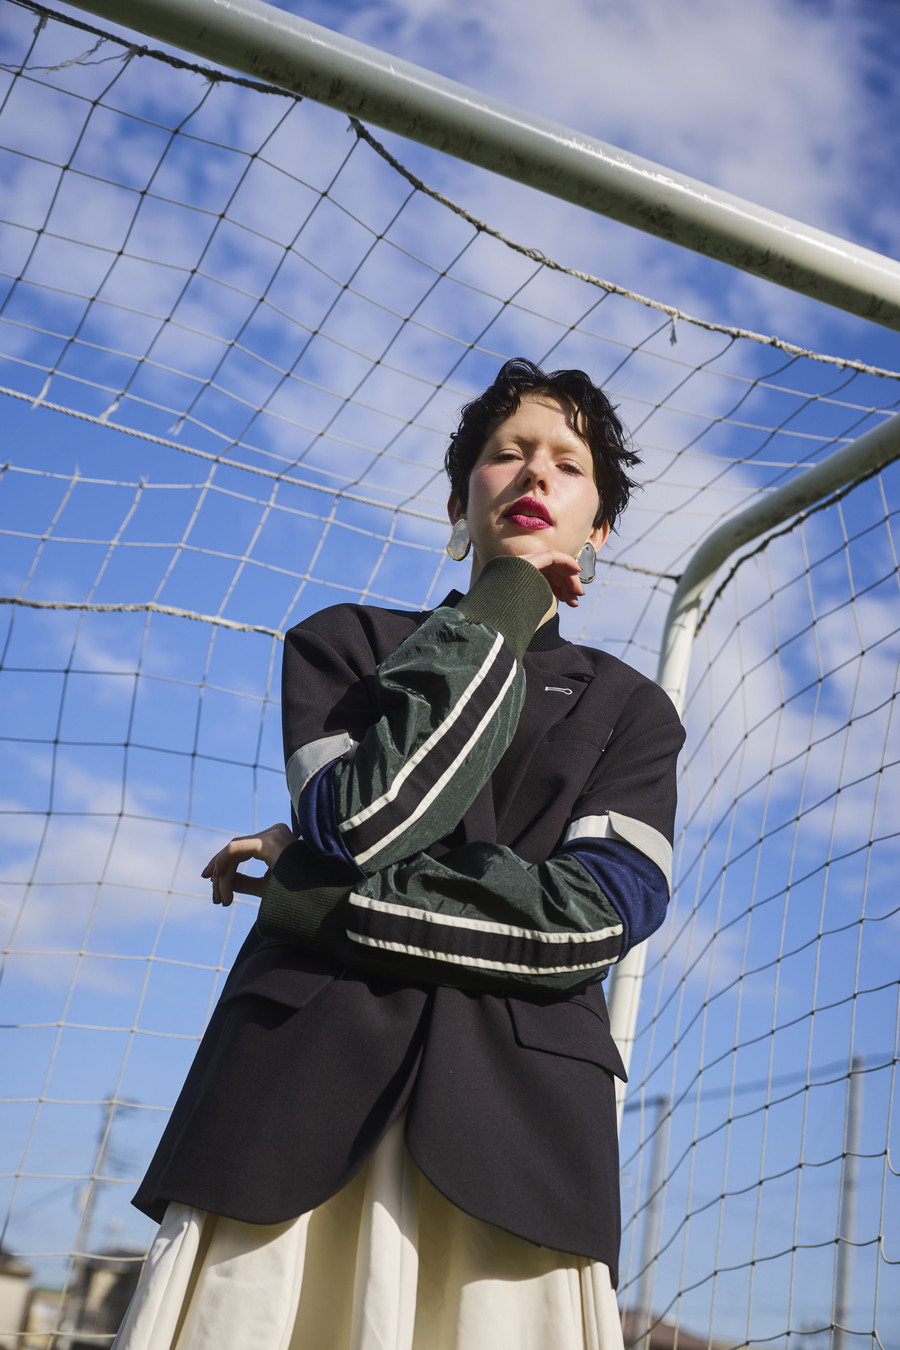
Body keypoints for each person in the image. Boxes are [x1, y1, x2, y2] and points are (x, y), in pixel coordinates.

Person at [112, 358, 685, 1350]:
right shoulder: (341, 646)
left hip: (521, 1142)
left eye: (568, 464)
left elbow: (585, 925)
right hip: (285, 1105)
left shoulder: (635, 711)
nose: (534, 474)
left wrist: (313, 894)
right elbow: (369, 819)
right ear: (460, 502)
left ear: (599, 529)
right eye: (507, 454)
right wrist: (504, 607)